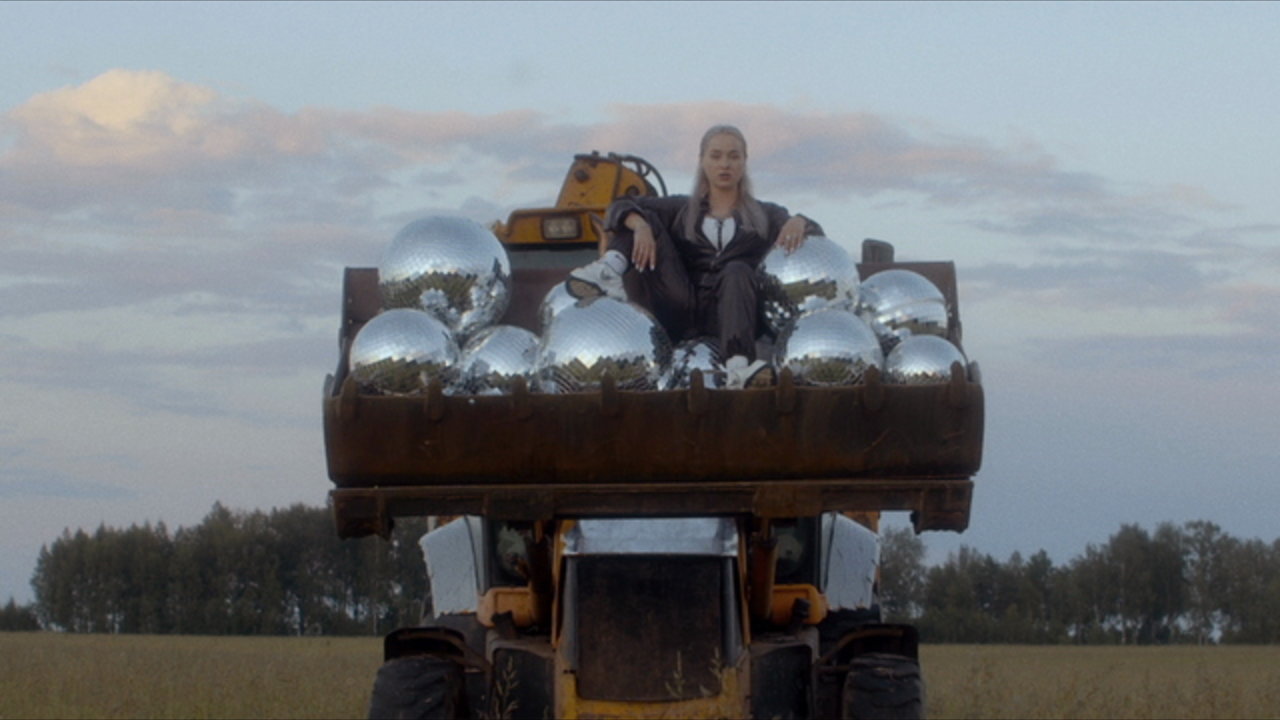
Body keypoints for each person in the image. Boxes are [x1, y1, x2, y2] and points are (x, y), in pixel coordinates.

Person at [566, 124, 823, 389]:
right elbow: (619, 205)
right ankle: (609, 270)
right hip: (680, 306)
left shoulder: (766, 214)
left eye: (733, 156)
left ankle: (739, 368)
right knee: (644, 215)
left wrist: (799, 221)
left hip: (735, 313)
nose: (725, 164)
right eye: (716, 156)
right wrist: (640, 226)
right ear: (702, 161)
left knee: (737, 268)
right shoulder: (680, 209)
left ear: (744, 162)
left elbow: (817, 238)